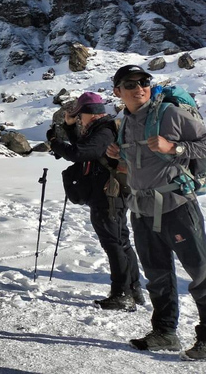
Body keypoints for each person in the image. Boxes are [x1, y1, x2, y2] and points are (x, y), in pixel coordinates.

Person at [106, 64, 206, 361]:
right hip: (142, 210)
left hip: (177, 207)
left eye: (144, 81)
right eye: (130, 84)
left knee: (200, 274)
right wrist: (119, 154)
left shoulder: (168, 114)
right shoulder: (125, 121)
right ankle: (164, 333)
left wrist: (176, 148)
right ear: (118, 91)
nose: (139, 88)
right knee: (157, 275)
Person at [49, 92, 142, 311]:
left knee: (114, 242)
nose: (79, 119)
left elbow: (80, 153)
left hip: (108, 195)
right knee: (121, 241)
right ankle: (133, 289)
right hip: (111, 193)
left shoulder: (104, 131)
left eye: (80, 115)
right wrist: (70, 128)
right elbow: (85, 148)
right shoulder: (101, 129)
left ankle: (122, 294)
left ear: (87, 113)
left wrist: (55, 142)